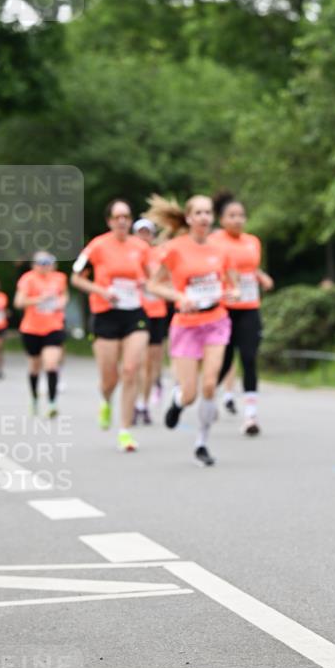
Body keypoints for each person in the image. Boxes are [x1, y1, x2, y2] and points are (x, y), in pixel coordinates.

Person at [147, 194, 236, 466]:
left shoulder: (220, 250)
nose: (204, 218)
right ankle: (177, 400)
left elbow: (232, 284)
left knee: (209, 384)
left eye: (208, 213)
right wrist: (178, 297)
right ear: (188, 218)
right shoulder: (175, 249)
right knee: (190, 393)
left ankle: (202, 443)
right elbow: (154, 285)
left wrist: (233, 292)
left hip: (216, 322)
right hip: (186, 325)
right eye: (198, 213)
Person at [71, 198, 151, 452]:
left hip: (134, 313)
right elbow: (76, 278)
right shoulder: (97, 246)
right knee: (110, 378)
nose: (122, 221)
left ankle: (125, 431)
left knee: (131, 369)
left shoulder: (140, 247)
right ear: (109, 221)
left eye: (126, 216)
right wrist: (101, 291)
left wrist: (146, 284)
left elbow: (153, 276)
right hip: (105, 313)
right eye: (117, 217)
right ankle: (106, 400)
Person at [209, 193, 274, 435]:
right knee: (224, 360)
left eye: (241, 216)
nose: (237, 220)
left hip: (249, 307)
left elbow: (251, 266)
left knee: (249, 357)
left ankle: (250, 415)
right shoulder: (214, 241)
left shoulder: (252, 241)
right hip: (224, 309)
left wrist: (261, 276)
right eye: (232, 216)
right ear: (222, 219)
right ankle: (210, 398)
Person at [14, 252, 69, 417]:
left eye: (48, 263)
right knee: (34, 367)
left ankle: (52, 403)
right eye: (41, 263)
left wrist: (62, 302)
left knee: (51, 364)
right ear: (34, 265)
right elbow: (18, 302)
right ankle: (34, 398)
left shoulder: (59, 278)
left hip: (53, 326)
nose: (45, 266)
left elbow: (64, 295)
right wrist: (39, 299)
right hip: (31, 329)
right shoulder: (28, 279)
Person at [131, 217, 167, 425]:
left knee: (154, 361)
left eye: (147, 232)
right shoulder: (130, 254)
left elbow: (168, 278)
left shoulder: (160, 255)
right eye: (140, 232)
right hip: (138, 312)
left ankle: (145, 401)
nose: (144, 236)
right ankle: (138, 404)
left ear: (152, 235)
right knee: (142, 362)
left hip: (158, 312)